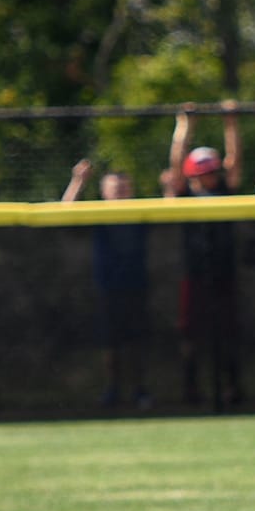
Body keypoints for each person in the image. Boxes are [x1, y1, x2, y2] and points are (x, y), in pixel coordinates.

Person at [164, 103, 245, 407]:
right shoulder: (186, 195)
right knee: (190, 336)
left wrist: (231, 123)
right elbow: (175, 165)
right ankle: (191, 387)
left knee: (229, 334)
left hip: (224, 272)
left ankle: (232, 387)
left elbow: (235, 162)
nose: (212, 176)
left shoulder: (225, 191)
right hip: (195, 273)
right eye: (206, 172)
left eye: (214, 171)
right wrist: (185, 125)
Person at [61, 159, 151, 410]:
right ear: (104, 193)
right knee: (110, 343)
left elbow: (174, 203)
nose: (121, 193)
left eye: (124, 189)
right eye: (115, 189)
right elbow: (64, 212)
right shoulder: (98, 214)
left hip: (137, 286)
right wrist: (79, 181)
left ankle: (140, 390)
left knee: (137, 342)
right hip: (108, 287)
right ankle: (112, 390)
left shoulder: (141, 213)